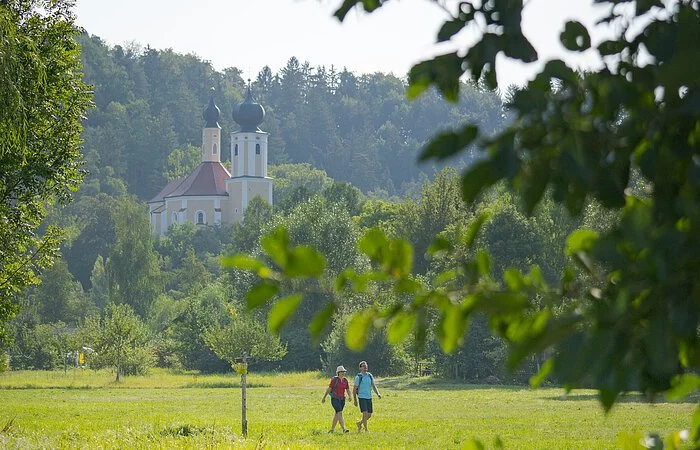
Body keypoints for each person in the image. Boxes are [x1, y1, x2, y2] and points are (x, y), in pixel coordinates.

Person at [321, 365, 351, 433]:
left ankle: (332, 429)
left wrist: (350, 396)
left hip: (342, 399)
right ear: (338, 373)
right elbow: (329, 389)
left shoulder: (345, 380)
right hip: (335, 399)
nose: (343, 373)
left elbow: (348, 389)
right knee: (339, 413)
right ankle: (344, 429)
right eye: (341, 372)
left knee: (337, 414)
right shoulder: (334, 380)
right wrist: (324, 397)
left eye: (344, 372)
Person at [353, 360, 381, 432]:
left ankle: (359, 423)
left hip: (369, 397)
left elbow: (373, 386)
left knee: (369, 415)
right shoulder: (358, 377)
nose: (365, 367)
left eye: (366, 366)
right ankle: (366, 429)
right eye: (363, 366)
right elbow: (354, 389)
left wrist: (378, 394)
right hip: (362, 397)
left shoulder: (370, 376)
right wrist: (355, 400)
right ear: (360, 368)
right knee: (365, 414)